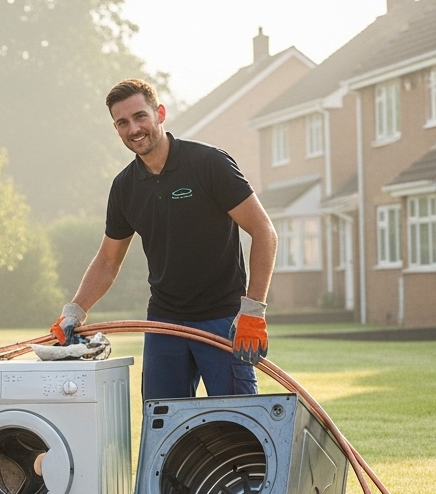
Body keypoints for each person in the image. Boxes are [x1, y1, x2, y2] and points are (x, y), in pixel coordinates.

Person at [50, 78, 277, 400]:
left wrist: (253, 312)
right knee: (163, 423)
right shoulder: (125, 187)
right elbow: (107, 260)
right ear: (116, 129)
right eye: (122, 123)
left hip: (223, 319)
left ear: (160, 113)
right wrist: (74, 311)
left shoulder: (208, 164)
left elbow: (264, 232)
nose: (134, 129)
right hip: (164, 323)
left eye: (140, 116)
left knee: (240, 425)